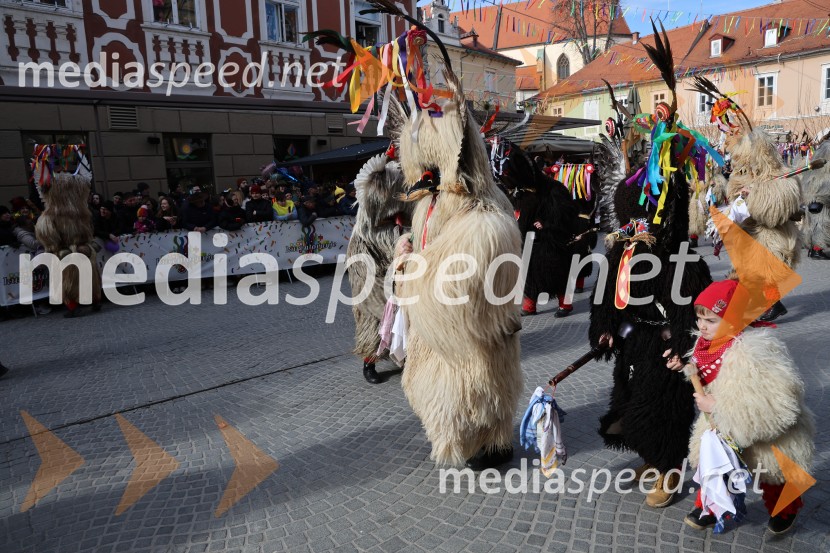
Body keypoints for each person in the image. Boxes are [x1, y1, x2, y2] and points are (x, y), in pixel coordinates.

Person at [670, 279, 814, 535]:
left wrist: (718, 405)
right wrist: (684, 368)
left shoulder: (754, 351)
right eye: (699, 318)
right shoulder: (706, 345)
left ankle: (786, 508)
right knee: (715, 463)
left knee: (773, 472)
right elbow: (704, 373)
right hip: (720, 421)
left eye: (711, 320)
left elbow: (774, 402)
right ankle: (711, 507)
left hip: (761, 426)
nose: (702, 326)